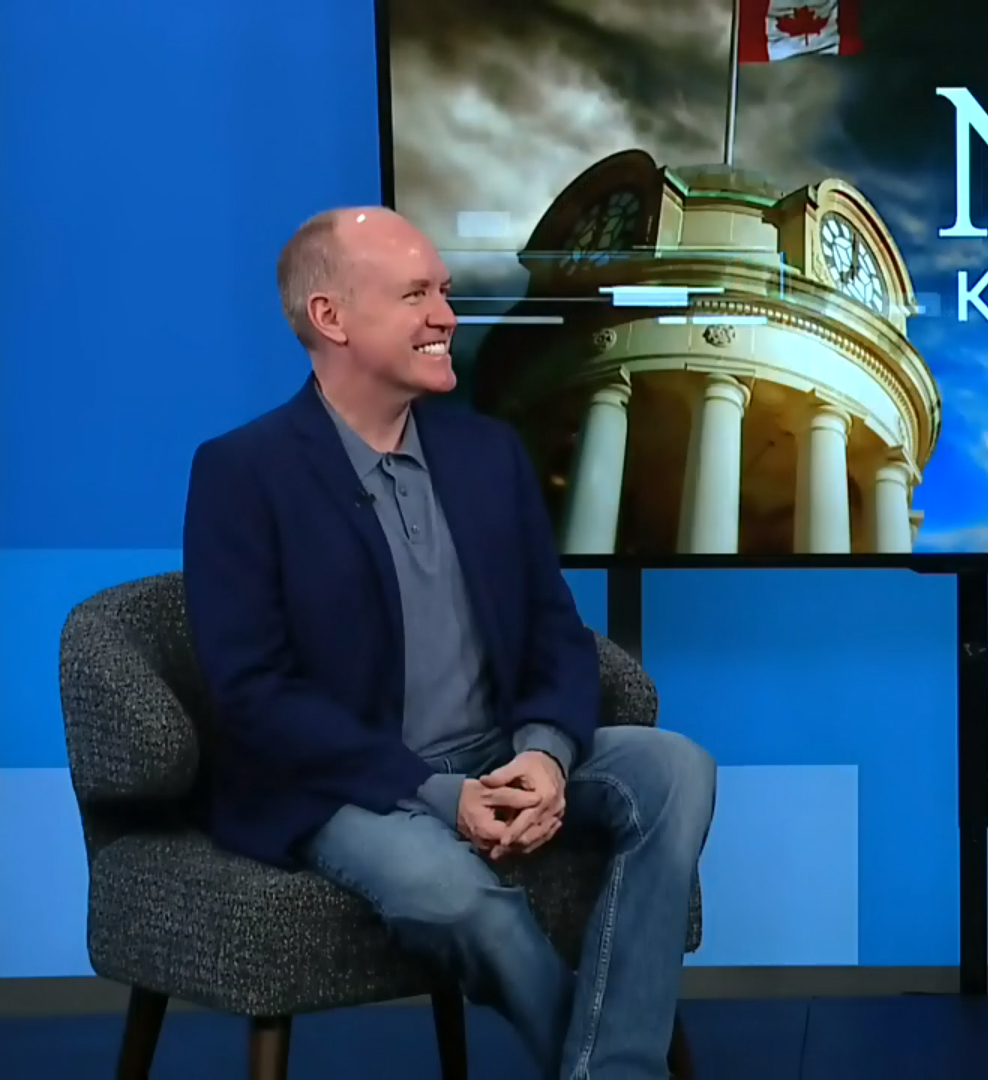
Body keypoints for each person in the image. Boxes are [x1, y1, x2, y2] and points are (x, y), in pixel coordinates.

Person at [181, 206, 716, 1080]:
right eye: (416, 295)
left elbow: (554, 630)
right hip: (351, 783)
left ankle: (607, 1070)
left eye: (444, 292)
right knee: (446, 890)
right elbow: (253, 693)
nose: (445, 317)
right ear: (332, 319)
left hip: (498, 752)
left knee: (677, 768)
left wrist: (544, 755)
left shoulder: (487, 455)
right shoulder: (243, 473)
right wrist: (438, 794)